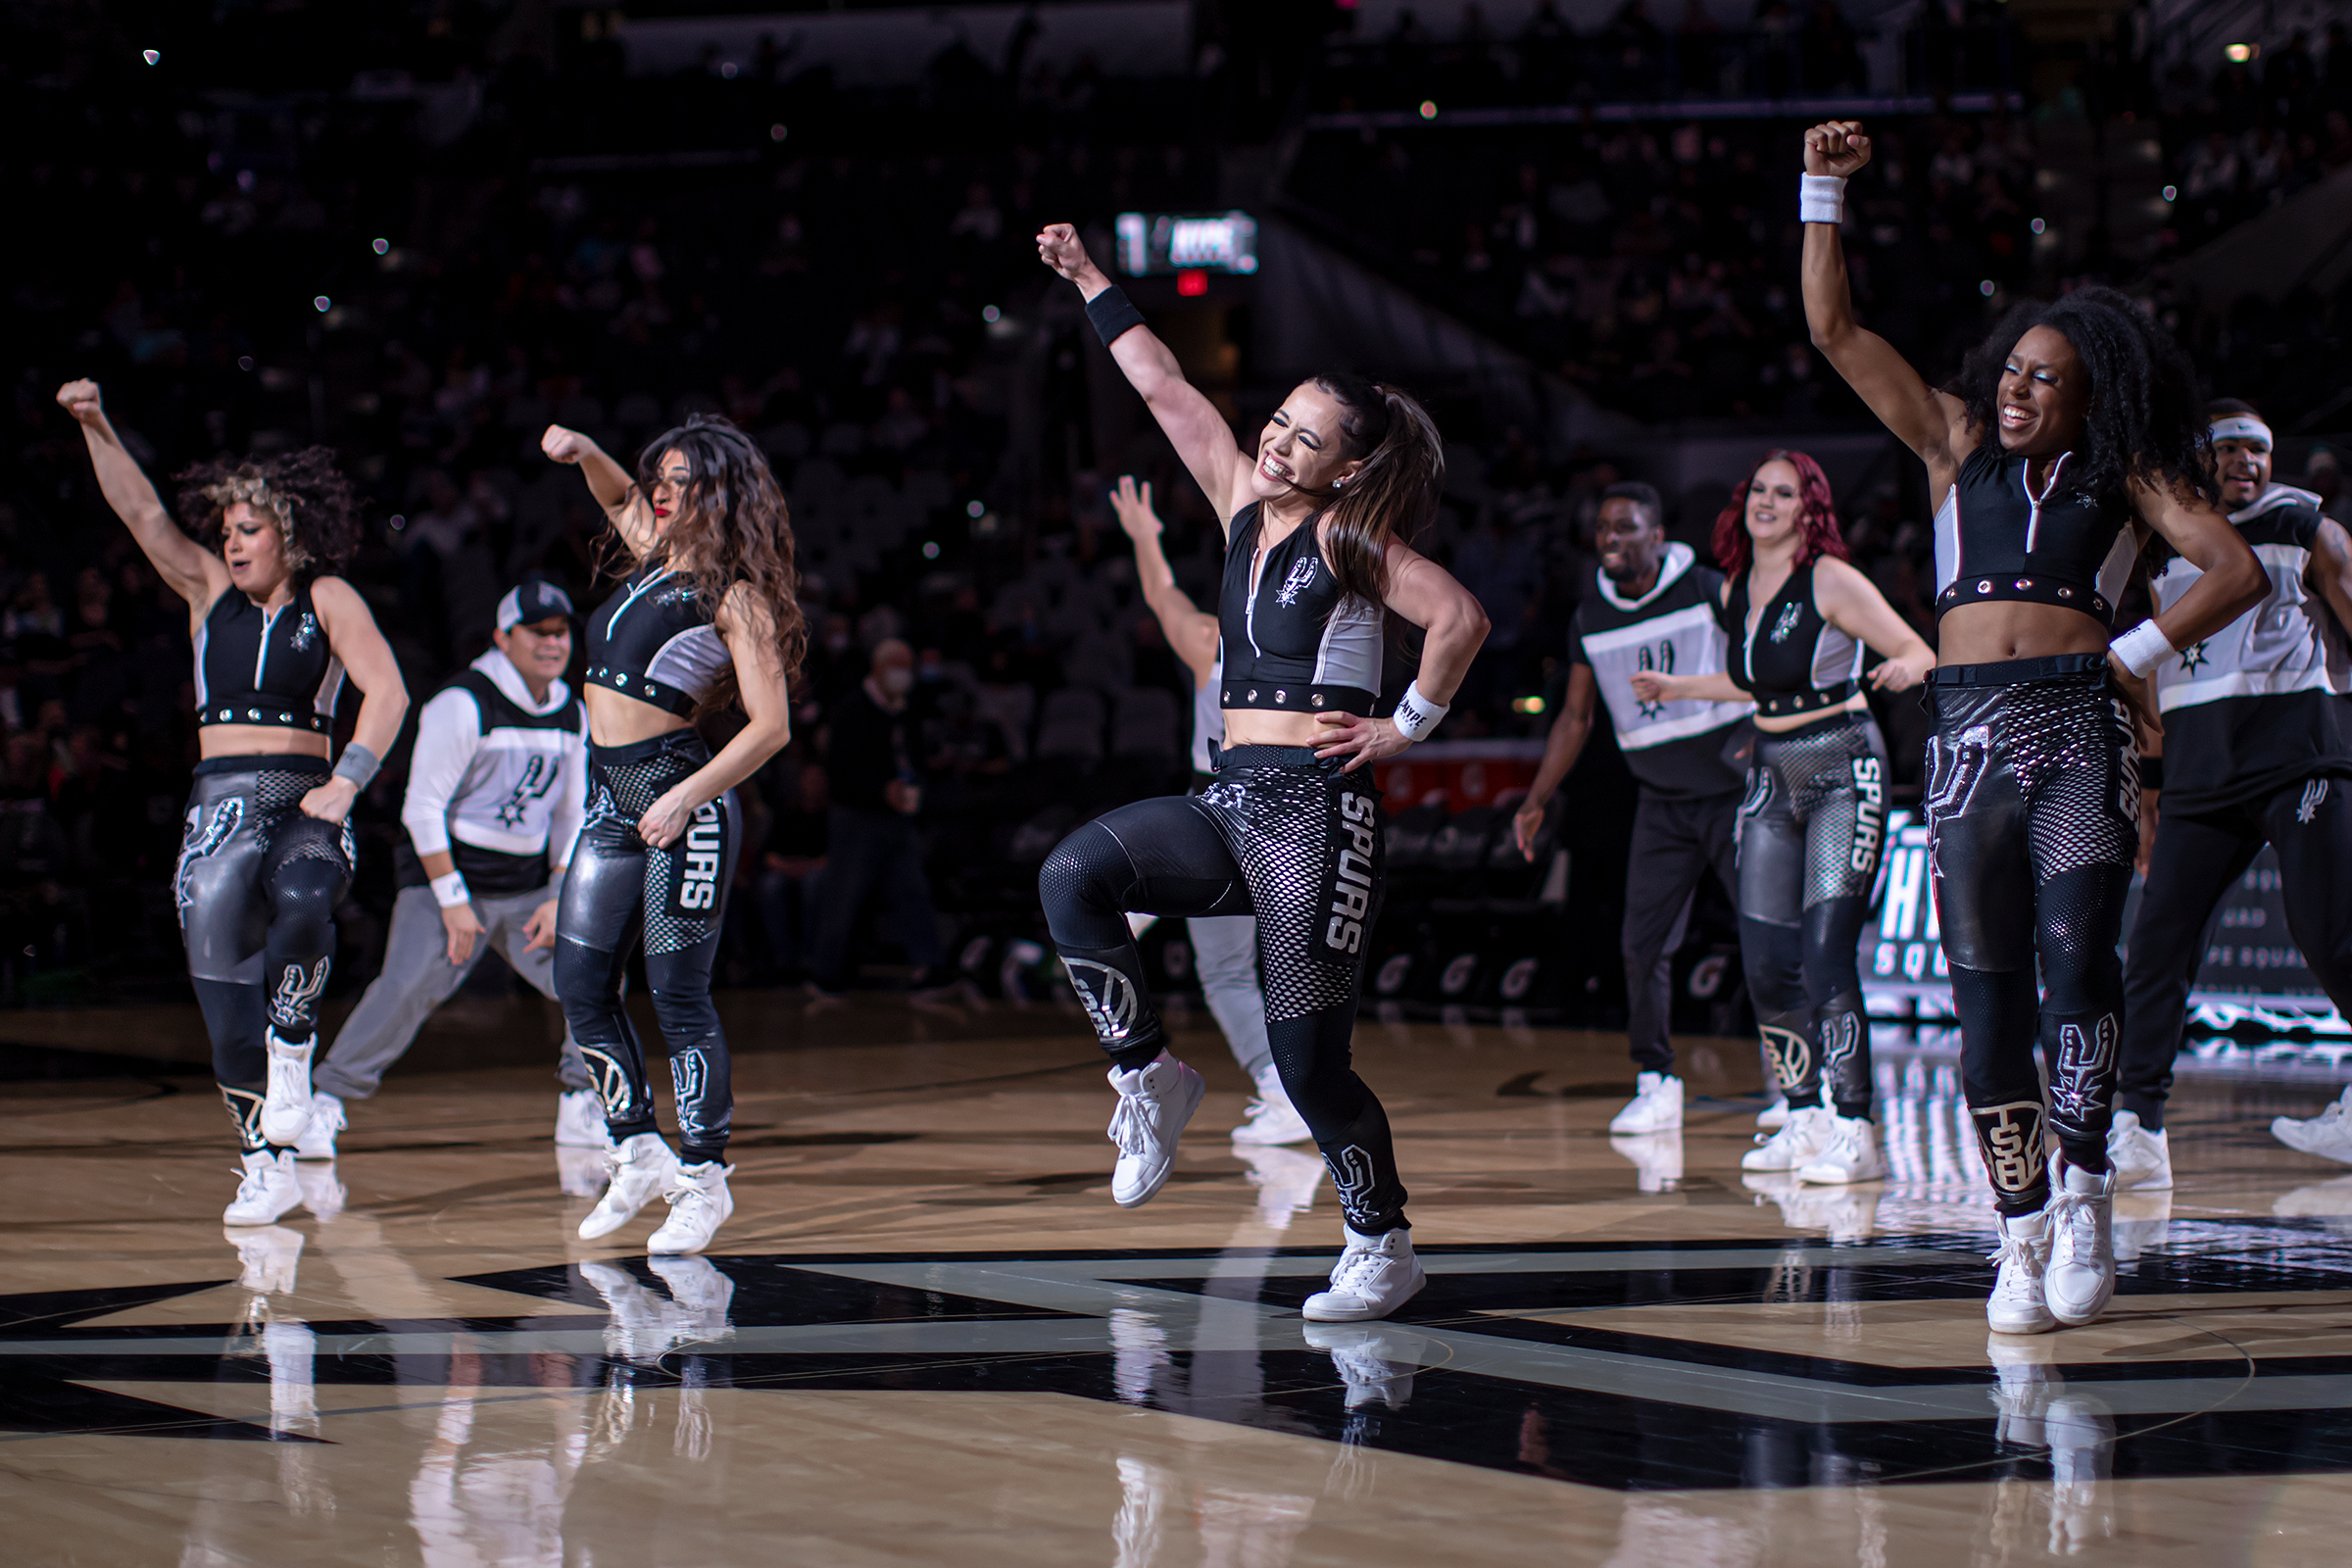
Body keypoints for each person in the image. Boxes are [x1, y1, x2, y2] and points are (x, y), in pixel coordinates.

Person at [1799, 120, 2264, 1334]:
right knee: (1987, 1001)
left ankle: (2088, 1192)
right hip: (1962, 741)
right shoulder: (1953, 443)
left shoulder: (2130, 472)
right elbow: (1835, 331)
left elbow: (2232, 569)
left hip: (2074, 731)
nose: (2014, 389)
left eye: (2043, 378)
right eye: (2011, 370)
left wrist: (2131, 654)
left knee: (2078, 971)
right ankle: (2019, 1231)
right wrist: (1823, 191)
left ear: (2089, 392)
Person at [1035, 221, 1491, 1323]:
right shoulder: (1241, 502)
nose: (1280, 445)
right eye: (1279, 422)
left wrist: (1405, 727)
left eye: (1306, 439)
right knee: (1073, 875)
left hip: (1315, 816)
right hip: (1229, 794)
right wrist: (1091, 278)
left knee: (1308, 1066)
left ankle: (1381, 1243)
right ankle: (1150, 1074)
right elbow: (1162, 384)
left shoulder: (1349, 540)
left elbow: (1459, 617)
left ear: (1349, 467)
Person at [56, 379, 410, 1225]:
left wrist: (347, 780)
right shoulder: (208, 593)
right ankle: (264, 1160)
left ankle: (295, 1047)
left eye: (248, 529)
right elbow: (142, 514)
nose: (232, 542)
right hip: (216, 808)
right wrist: (95, 422)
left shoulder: (329, 598)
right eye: (227, 532)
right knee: (221, 1002)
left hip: (303, 797)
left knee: (307, 896)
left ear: (288, 529)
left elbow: (389, 693)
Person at [1628, 451, 1936, 1185]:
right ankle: (1804, 1115)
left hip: (1841, 768)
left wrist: (1904, 665)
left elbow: (1918, 648)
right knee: (1766, 959)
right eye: (1759, 490)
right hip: (1770, 772)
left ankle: (1855, 1126)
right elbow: (1755, 681)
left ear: (1809, 509)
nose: (1767, 502)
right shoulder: (1737, 586)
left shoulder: (1830, 578)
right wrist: (1678, 687)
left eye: (1785, 493)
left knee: (1825, 956)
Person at [539, 414, 803, 1253]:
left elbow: (771, 727)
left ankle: (704, 1176)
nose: (660, 492)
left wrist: (687, 796)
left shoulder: (736, 596)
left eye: (682, 481)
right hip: (611, 805)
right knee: (581, 985)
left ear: (717, 495)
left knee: (678, 995)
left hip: (680, 801)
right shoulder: (655, 557)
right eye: (661, 478)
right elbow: (618, 495)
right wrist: (585, 452)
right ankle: (635, 1147)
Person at [2113, 402, 2352, 1181]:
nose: (2246, 460)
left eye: (2259, 449)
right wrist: (2151, 788)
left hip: (2298, 758)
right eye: (2230, 448)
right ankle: (2139, 1130)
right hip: (2199, 775)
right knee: (2156, 948)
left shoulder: (2305, 525)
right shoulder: (2167, 545)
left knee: (2330, 934)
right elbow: (2152, 676)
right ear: (2198, 458)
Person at [295, 581, 600, 1160]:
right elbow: (421, 809)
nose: (552, 643)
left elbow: (571, 812)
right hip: (447, 878)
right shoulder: (463, 702)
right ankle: (326, 1099)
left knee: (593, 975)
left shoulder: (573, 711)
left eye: (560, 632)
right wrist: (454, 900)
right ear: (503, 638)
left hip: (524, 886)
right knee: (406, 987)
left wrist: (560, 891)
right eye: (537, 632)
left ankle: (582, 1099)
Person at [1512, 482, 1752, 1138]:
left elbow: (1763, 667)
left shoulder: (1705, 588)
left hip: (1731, 793)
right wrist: (1537, 798)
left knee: (1764, 937)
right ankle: (1656, 1081)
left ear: (1657, 534)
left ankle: (1800, 1085)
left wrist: (1756, 737)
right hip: (1661, 800)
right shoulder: (1590, 616)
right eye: (1602, 529)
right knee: (1641, 945)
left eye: (1624, 527)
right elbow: (1575, 718)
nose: (1610, 539)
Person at [1107, 473, 1313, 1148]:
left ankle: (1281, 1090)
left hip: (1226, 813)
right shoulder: (1310, 657)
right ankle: (1296, 1088)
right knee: (1281, 972)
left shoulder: (1210, 643)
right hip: (1291, 818)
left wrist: (1146, 537)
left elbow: (1161, 594)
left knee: (1225, 970)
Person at [807, 638, 955, 998]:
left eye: (907, 667)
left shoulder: (907, 711)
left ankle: (929, 967)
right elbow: (840, 775)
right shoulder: (852, 710)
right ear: (877, 668)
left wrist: (915, 787)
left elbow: (915, 759)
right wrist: (880, 790)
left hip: (897, 818)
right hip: (856, 819)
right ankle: (824, 974)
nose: (903, 675)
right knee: (844, 896)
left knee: (912, 890)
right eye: (896, 667)